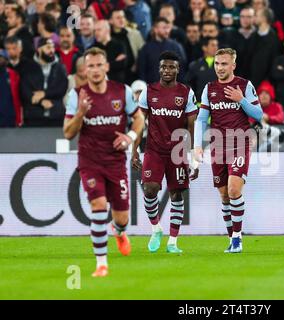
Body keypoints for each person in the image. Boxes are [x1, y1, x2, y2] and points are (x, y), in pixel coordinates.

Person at [63, 47, 145, 277]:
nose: (96, 70)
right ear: (84, 70)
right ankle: (101, 264)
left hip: (116, 162)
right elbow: (68, 133)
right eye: (91, 66)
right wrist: (81, 113)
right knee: (98, 205)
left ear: (107, 67)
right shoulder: (76, 95)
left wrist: (129, 137)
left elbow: (139, 120)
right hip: (90, 161)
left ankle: (119, 231)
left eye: (99, 65)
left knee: (122, 217)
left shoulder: (122, 92)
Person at [194, 48, 263, 253]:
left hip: (240, 143)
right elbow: (200, 119)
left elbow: (258, 114)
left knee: (234, 190)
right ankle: (231, 236)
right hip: (218, 145)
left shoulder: (244, 85)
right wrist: (198, 145)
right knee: (224, 195)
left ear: (233, 65)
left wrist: (241, 99)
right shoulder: (209, 88)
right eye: (217, 64)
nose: (220, 68)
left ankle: (237, 239)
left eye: (224, 64)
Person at [132, 51, 199, 254]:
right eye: (163, 67)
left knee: (176, 193)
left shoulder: (186, 93)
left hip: (177, 152)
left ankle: (173, 241)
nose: (166, 70)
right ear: (159, 68)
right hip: (154, 150)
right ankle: (156, 228)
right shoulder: (148, 91)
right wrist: (134, 151)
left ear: (178, 69)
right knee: (150, 189)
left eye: (171, 67)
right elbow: (139, 123)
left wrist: (193, 158)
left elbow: (191, 126)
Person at [20, 38, 68, 127]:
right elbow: (25, 90)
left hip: (56, 116)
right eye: (48, 47)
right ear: (39, 49)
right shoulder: (28, 67)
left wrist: (44, 93)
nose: (52, 50)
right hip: (33, 116)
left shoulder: (60, 67)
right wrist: (41, 102)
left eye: (53, 47)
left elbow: (62, 88)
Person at [137, 17, 186, 84]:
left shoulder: (176, 47)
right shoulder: (146, 48)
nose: (167, 31)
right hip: (153, 89)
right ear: (155, 29)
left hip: (172, 89)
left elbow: (182, 69)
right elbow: (142, 72)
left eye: (168, 28)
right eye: (164, 28)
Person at [0, 49, 21, 127]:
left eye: (1, 58)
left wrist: (19, 118)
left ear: (6, 60)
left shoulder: (13, 75)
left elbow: (18, 97)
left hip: (9, 117)